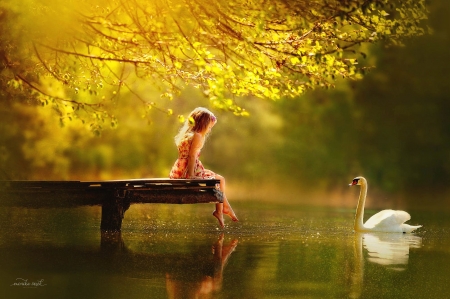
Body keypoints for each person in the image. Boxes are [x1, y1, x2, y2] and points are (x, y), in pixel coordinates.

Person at [169, 107, 238, 228]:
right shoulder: (197, 136)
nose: (210, 130)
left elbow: (187, 157)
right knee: (220, 179)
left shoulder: (187, 134)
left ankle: (224, 209)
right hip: (188, 171)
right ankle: (221, 210)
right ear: (203, 123)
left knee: (217, 178)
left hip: (179, 170)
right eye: (209, 127)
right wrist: (190, 176)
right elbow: (191, 157)